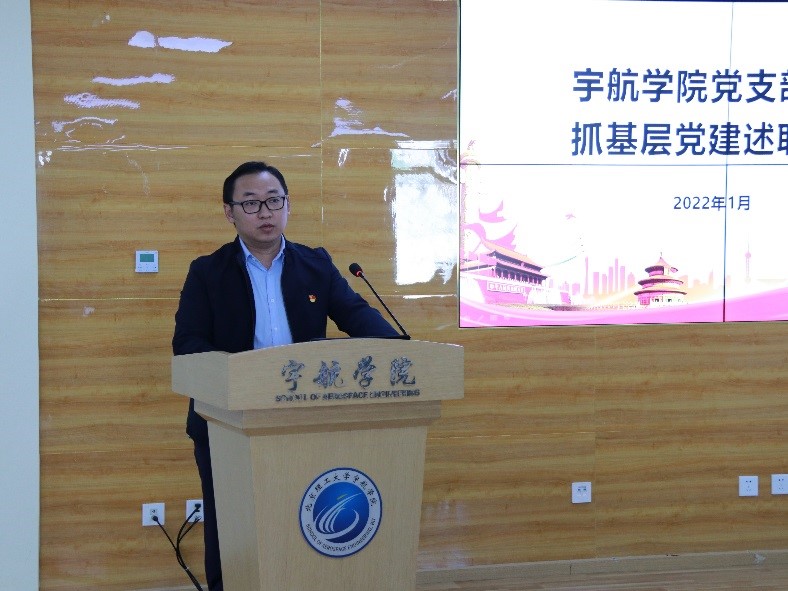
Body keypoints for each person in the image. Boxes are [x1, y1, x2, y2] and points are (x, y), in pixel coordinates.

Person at [172, 161, 398, 590]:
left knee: (306, 520)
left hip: (306, 419)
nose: (265, 212)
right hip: (227, 423)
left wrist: (399, 350)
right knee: (230, 525)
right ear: (229, 212)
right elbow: (187, 344)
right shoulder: (207, 272)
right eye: (251, 203)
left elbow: (356, 315)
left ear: (288, 206)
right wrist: (242, 375)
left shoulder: (316, 265)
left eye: (274, 201)